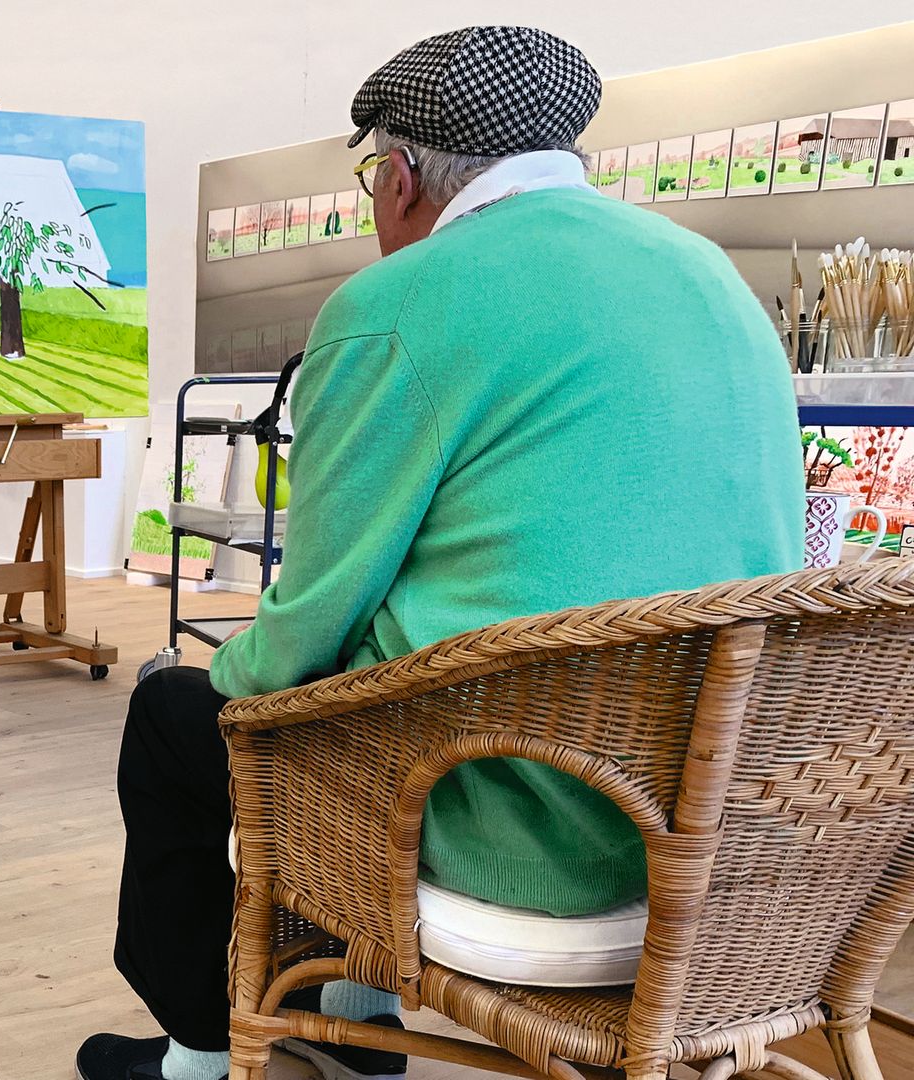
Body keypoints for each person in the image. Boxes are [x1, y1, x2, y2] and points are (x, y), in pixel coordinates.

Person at [77, 25, 805, 1080]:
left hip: (523, 827)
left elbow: (313, 614)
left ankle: (203, 1050)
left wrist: (215, 681)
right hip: (723, 821)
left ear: (403, 177)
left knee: (180, 718)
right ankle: (363, 1031)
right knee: (386, 667)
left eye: (373, 175)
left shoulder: (398, 303)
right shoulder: (713, 280)